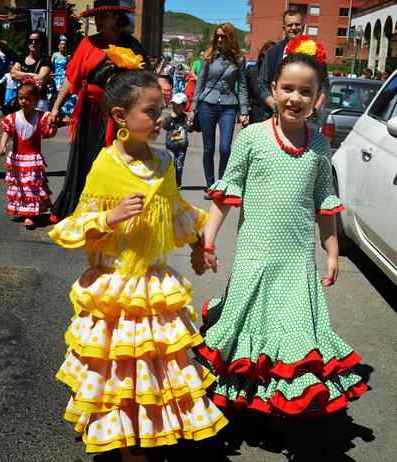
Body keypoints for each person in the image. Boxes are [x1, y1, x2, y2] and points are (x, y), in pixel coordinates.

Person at [49, 68, 228, 462]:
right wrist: (108, 219)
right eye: (150, 111)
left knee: (153, 366)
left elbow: (178, 212)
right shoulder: (105, 165)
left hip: (152, 280)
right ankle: (128, 444)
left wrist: (201, 246)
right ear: (119, 117)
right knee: (118, 370)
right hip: (115, 283)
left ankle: (148, 431)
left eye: (161, 109)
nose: (160, 119)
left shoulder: (164, 162)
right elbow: (80, 229)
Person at [191, 43, 368, 419]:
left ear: (319, 98)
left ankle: (282, 404)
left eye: (306, 91)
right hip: (256, 256)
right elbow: (226, 195)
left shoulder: (319, 145)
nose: (295, 98)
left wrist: (332, 252)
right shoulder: (253, 138)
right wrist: (207, 241)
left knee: (292, 332)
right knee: (248, 328)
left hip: (297, 261)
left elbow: (325, 206)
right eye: (288, 88)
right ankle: (241, 400)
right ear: (273, 89)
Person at [48, 0, 148, 223]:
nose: (98, 20)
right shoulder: (87, 43)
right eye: (96, 16)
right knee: (82, 159)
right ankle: (75, 209)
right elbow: (71, 78)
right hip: (88, 111)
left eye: (104, 15)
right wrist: (55, 107)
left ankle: (108, 212)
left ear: (115, 17)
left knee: (107, 161)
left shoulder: (131, 45)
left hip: (116, 113)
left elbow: (144, 81)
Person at [190, 23, 249, 197]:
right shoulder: (208, 57)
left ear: (230, 38)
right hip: (207, 104)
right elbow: (199, 84)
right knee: (208, 149)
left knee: (225, 148)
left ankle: (222, 184)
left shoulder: (238, 59)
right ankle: (211, 185)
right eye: (218, 36)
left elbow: (243, 86)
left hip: (229, 107)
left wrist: (244, 111)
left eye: (223, 36)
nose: (220, 39)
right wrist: (193, 109)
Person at [0, 78, 57, 229]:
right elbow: (7, 132)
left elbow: (49, 134)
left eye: (27, 98)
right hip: (18, 159)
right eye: (20, 98)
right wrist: (2, 145)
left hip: (33, 159)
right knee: (21, 187)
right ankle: (26, 213)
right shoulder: (13, 117)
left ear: (36, 100)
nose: (23, 101)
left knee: (31, 187)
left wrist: (53, 126)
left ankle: (30, 214)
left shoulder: (41, 117)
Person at [257, 10, 329, 117]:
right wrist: (277, 107)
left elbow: (324, 83)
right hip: (276, 115)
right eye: (290, 25)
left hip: (307, 115)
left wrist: (315, 109)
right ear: (284, 28)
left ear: (303, 26)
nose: (294, 28)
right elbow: (262, 83)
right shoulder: (273, 52)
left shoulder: (316, 51)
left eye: (297, 24)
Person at [11, 30, 52, 112]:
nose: (33, 43)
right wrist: (33, 75)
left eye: (37, 41)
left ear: (41, 43)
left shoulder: (45, 60)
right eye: (30, 41)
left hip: (39, 102)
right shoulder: (22, 57)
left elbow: (41, 79)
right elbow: (13, 74)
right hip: (23, 100)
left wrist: (21, 74)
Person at [162, 92, 190, 188]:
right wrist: (170, 117)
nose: (175, 108)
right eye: (174, 105)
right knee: (170, 165)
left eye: (178, 106)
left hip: (182, 146)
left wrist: (190, 125)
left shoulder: (185, 118)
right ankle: (170, 183)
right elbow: (164, 126)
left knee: (179, 166)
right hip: (171, 146)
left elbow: (189, 129)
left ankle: (178, 183)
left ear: (183, 106)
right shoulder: (170, 117)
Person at [246, 40, 275, 123]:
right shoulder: (252, 72)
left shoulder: (280, 74)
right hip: (256, 116)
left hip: (275, 116)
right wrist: (244, 113)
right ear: (261, 56)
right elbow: (247, 94)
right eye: (265, 57)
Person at [51, 35, 76, 119]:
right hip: (55, 77)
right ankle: (57, 111)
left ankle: (64, 112)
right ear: (58, 45)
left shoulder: (68, 56)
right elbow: (50, 66)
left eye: (64, 44)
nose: (63, 46)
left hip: (63, 78)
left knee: (63, 94)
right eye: (61, 44)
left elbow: (70, 67)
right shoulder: (55, 55)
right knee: (56, 94)